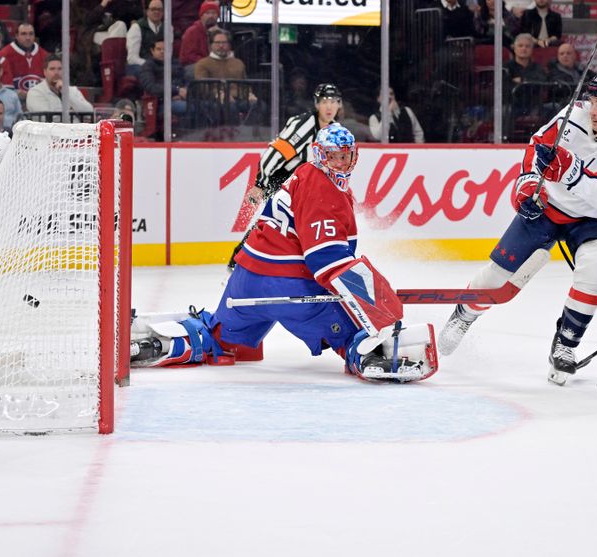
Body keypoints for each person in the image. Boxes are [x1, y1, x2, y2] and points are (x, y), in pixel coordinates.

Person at [130, 124, 439, 383]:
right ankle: (371, 356)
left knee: (220, 339)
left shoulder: (303, 174)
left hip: (246, 280)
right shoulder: (323, 189)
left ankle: (161, 344)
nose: (341, 164)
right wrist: (377, 301)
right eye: (333, 157)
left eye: (345, 157)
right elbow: (327, 260)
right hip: (290, 287)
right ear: (320, 155)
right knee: (353, 332)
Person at [438, 70, 597, 386]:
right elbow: (538, 144)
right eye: (591, 100)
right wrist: (527, 181)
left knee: (595, 268)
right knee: (497, 274)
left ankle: (565, 343)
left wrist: (574, 176)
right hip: (548, 206)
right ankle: (464, 315)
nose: (592, 109)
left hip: (595, 219)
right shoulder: (574, 114)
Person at [226, 83, 343, 269]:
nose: (329, 106)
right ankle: (238, 261)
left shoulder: (335, 130)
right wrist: (260, 184)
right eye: (324, 101)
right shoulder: (303, 125)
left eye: (333, 101)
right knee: (267, 223)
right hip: (281, 180)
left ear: (339, 104)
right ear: (316, 104)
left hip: (304, 184)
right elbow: (275, 154)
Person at [26, 54, 95, 114]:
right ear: (44, 72)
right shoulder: (35, 92)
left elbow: (89, 111)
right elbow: (46, 118)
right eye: (52, 69)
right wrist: (71, 111)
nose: (56, 72)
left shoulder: (73, 90)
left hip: (74, 129)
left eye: (59, 69)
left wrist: (65, 92)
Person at [0, 23, 49, 102]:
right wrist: (14, 93)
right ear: (16, 36)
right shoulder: (3, 55)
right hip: (13, 102)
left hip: (40, 101)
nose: (28, 38)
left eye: (31, 34)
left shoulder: (45, 55)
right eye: (23, 34)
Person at [140, 40, 187, 116]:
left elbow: (185, 81)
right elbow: (152, 88)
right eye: (159, 49)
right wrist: (175, 91)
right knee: (190, 107)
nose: (162, 52)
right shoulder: (148, 66)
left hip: (182, 99)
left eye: (165, 49)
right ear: (152, 51)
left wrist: (183, 93)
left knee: (207, 105)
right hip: (161, 103)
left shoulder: (176, 64)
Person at [179, 1, 220, 80]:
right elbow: (189, 56)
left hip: (214, 64)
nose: (211, 16)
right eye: (207, 13)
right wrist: (208, 62)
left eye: (214, 13)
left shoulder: (220, 33)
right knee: (204, 71)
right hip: (192, 65)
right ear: (201, 16)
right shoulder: (192, 31)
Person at [126, 0, 164, 78]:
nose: (156, 12)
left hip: (161, 66)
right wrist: (151, 65)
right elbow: (132, 58)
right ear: (147, 11)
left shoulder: (168, 28)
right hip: (139, 66)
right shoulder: (136, 28)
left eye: (159, 9)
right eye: (153, 9)